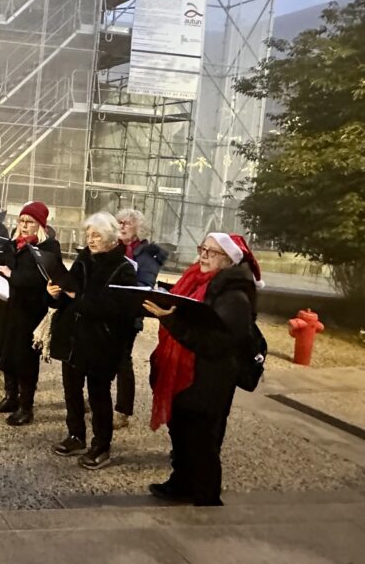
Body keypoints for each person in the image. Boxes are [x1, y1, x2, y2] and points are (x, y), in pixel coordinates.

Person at [145, 232, 260, 507]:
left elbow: (218, 342)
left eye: (212, 252)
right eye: (203, 249)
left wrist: (172, 322)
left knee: (202, 439)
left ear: (229, 260)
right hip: (187, 372)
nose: (203, 256)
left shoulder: (234, 296)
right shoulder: (197, 280)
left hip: (210, 378)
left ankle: (206, 498)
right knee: (181, 431)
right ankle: (181, 483)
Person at [47, 212, 139, 469]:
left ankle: (102, 445)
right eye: (88, 235)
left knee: (99, 396)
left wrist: (77, 296)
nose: (91, 240)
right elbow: (69, 293)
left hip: (102, 341)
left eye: (96, 235)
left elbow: (118, 309)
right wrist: (55, 293)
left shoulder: (123, 269)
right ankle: (76, 434)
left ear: (111, 239)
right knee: (71, 390)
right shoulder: (83, 259)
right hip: (74, 337)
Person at [0, 202, 58, 421]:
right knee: (6, 353)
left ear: (40, 226)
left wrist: (10, 273)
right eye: (22, 221)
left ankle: (26, 406)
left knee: (25, 358)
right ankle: (10, 396)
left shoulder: (48, 248)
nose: (24, 225)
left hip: (31, 309)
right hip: (10, 305)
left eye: (30, 222)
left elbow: (37, 279)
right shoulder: (15, 244)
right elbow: (3, 263)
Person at [113, 208, 169, 429]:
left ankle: (123, 410)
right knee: (101, 356)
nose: (122, 226)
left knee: (122, 361)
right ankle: (98, 397)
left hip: (129, 314)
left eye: (126, 223)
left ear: (139, 228)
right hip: (107, 310)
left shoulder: (148, 253)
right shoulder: (113, 247)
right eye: (119, 222)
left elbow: (145, 284)